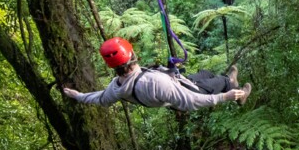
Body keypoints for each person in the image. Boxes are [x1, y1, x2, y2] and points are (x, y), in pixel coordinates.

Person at [62, 37, 251, 111]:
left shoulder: (116, 86)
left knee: (205, 72)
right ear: (132, 55)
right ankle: (235, 92)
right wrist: (224, 97)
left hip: (177, 82)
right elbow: (191, 101)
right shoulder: (154, 82)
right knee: (220, 82)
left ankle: (230, 82)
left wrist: (77, 95)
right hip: (190, 92)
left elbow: (99, 98)